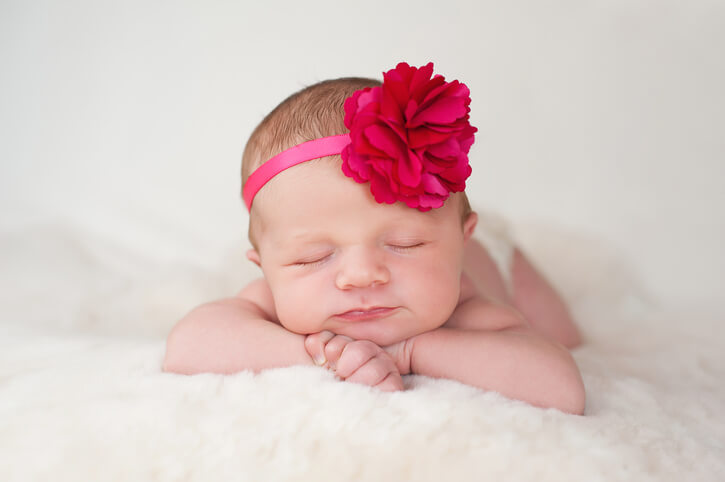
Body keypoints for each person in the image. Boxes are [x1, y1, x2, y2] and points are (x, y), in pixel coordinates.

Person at [163, 62, 585, 414]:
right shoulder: (275, 300)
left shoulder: (467, 306)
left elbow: (560, 386)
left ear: (461, 241)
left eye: (406, 244)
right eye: (312, 257)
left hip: (498, 255)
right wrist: (327, 355)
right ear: (265, 267)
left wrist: (409, 352)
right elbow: (187, 347)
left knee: (563, 331)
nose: (362, 276)